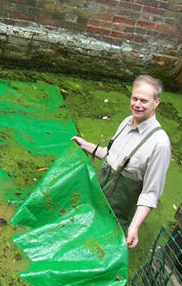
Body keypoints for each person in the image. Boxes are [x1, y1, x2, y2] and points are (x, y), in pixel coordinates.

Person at [70, 75, 172, 249]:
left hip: (118, 210)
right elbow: (111, 157)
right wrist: (87, 146)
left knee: (97, 248)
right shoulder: (126, 122)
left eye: (144, 101)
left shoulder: (160, 144)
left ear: (156, 102)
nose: (137, 104)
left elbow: (151, 193)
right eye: (134, 98)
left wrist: (134, 226)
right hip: (98, 194)